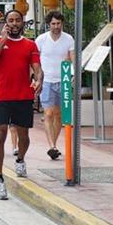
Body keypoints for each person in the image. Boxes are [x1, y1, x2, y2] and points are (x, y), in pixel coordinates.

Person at [0, 9, 42, 199]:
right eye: (11, 20)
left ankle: (20, 159)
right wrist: (3, 40)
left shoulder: (30, 44)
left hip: (23, 96)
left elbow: (37, 68)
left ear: (22, 23)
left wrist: (39, 80)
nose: (14, 23)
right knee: (0, 133)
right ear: (5, 23)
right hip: (1, 95)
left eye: (18, 20)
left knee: (23, 135)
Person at [34, 11, 77, 161]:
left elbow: (73, 58)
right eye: (53, 24)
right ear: (48, 24)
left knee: (58, 115)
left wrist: (74, 73)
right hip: (46, 80)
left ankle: (54, 144)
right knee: (48, 113)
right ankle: (52, 146)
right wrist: (36, 77)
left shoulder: (68, 39)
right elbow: (35, 60)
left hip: (63, 80)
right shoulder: (41, 39)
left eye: (58, 23)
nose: (56, 26)